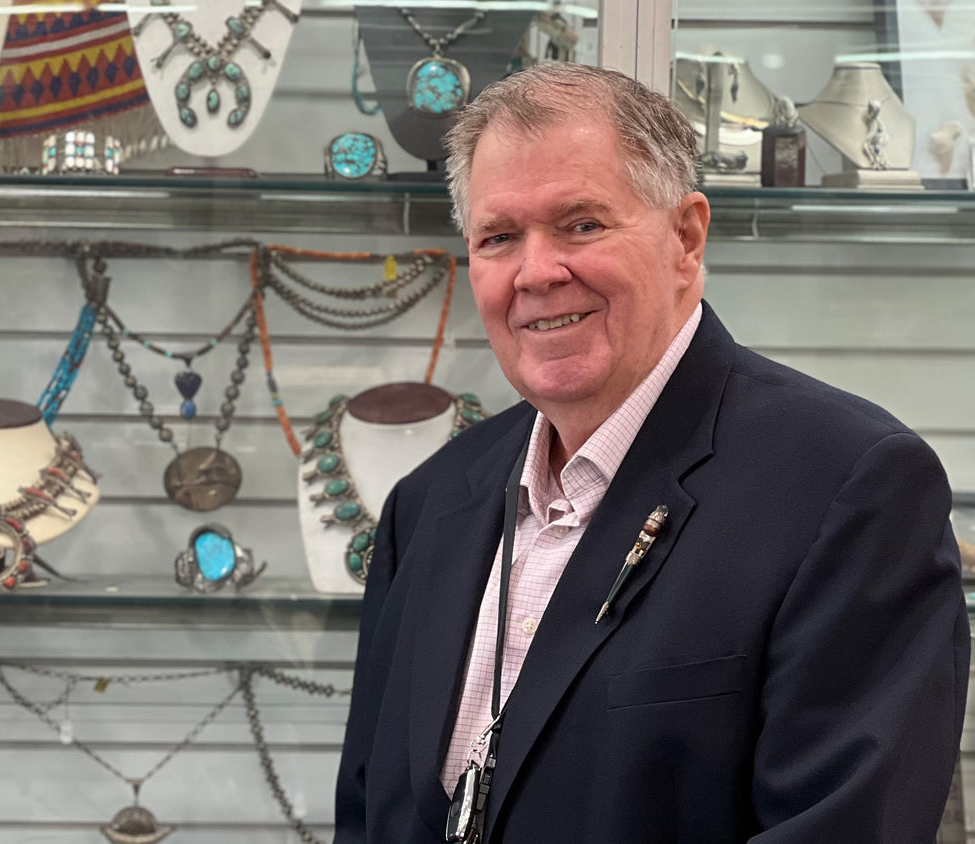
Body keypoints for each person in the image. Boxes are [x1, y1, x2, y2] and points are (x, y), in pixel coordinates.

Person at [334, 63, 968, 844]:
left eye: (582, 224)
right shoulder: (428, 503)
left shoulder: (850, 488)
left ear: (686, 237)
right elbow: (368, 811)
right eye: (499, 238)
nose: (536, 272)